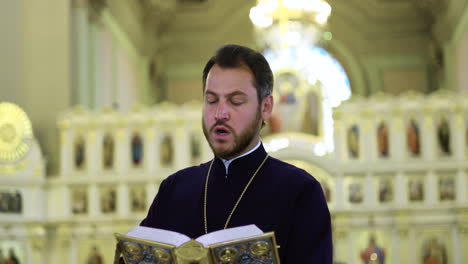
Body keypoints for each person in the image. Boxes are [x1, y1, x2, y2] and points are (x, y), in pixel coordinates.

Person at [140, 44, 332, 263]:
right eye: (211, 100)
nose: (220, 113)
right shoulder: (174, 190)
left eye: (236, 101)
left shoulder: (301, 192)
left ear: (266, 107)